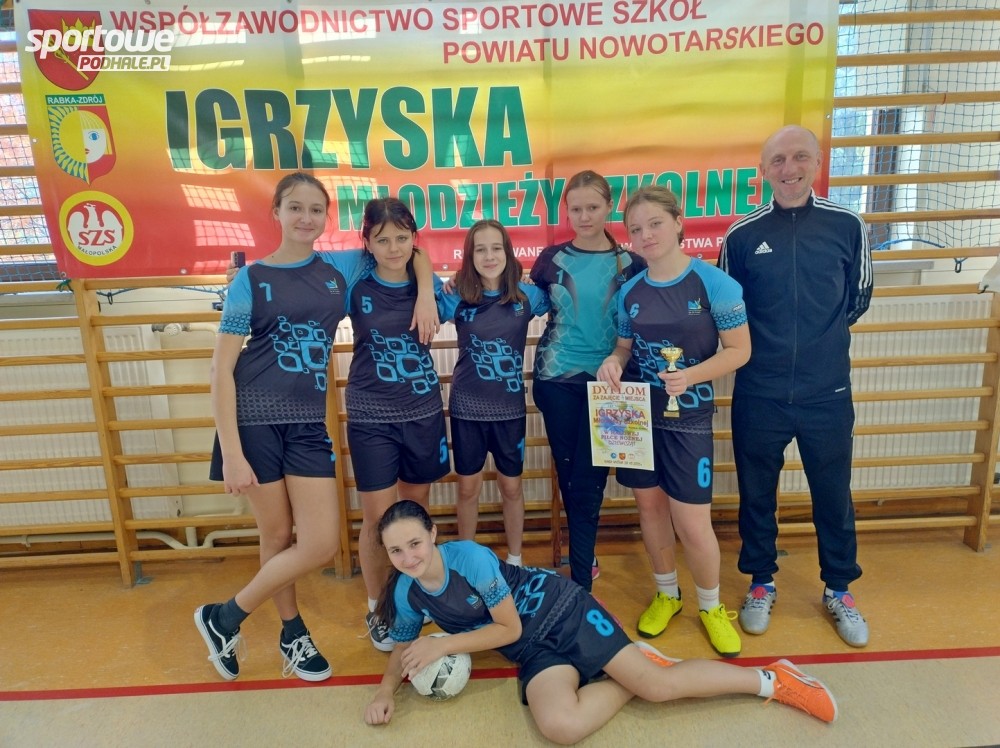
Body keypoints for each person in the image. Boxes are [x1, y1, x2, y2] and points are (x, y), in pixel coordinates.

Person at [363, 500, 838, 745]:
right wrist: (386, 691)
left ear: (433, 534)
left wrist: (444, 645)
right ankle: (629, 665)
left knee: (658, 687)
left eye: (415, 543)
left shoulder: (469, 558)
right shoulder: (406, 590)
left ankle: (774, 680)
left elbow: (507, 628)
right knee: (560, 726)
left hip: (561, 610)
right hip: (532, 649)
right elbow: (403, 647)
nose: (408, 557)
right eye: (396, 550)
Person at [196, 173, 367, 682]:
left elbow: (410, 251)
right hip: (254, 420)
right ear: (276, 212)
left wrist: (424, 292)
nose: (305, 218)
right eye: (295, 207)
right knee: (275, 534)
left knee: (320, 542)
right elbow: (221, 370)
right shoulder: (250, 279)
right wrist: (232, 453)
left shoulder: (341, 268)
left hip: (308, 424)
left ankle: (224, 617)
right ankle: (293, 633)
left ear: (326, 217)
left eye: (316, 209)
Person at [718, 125, 874, 647]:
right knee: (756, 493)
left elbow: (857, 299)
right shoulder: (741, 236)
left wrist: (815, 347)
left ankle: (840, 589)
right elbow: (729, 311)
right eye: (779, 160)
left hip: (826, 393)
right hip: (759, 391)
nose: (790, 169)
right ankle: (761, 582)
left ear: (818, 162)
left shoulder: (848, 225)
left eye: (800, 157)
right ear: (763, 170)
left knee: (833, 494)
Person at [596, 186, 751, 657]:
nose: (645, 235)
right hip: (636, 418)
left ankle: (711, 606)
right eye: (636, 229)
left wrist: (691, 376)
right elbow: (624, 347)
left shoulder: (714, 283)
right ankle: (667, 594)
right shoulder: (630, 292)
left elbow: (740, 351)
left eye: (655, 224)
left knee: (692, 520)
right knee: (649, 509)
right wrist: (613, 363)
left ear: (679, 222)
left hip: (689, 419)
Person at [530, 170, 646, 591]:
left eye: (593, 207)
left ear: (610, 207)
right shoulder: (550, 259)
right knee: (569, 475)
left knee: (592, 478)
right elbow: (516, 298)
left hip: (612, 385)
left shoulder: (633, 263)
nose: (584, 216)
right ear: (566, 211)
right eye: (575, 208)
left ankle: (581, 576)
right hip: (556, 378)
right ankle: (583, 571)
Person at [348, 197, 450, 652]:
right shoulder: (355, 283)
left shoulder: (430, 284)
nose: (393, 248)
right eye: (382, 239)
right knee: (378, 520)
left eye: (402, 238)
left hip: (422, 412)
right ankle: (377, 607)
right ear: (367, 243)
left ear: (414, 239)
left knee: (413, 513)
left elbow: (428, 267)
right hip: (371, 415)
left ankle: (410, 600)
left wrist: (426, 290)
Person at [438, 220, 550, 566]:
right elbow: (423, 303)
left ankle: (515, 560)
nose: (489, 256)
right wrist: (445, 281)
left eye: (496, 248)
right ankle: (467, 561)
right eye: (480, 249)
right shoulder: (455, 296)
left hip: (510, 410)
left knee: (511, 487)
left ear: (508, 252)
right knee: (467, 488)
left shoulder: (528, 296)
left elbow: (558, 302)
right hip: (466, 409)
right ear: (470, 255)